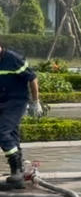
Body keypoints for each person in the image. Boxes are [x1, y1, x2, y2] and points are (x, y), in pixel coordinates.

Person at [0, 43, 40, 189]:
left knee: (2, 131)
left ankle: (16, 167)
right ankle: (18, 174)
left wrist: (36, 102)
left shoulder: (13, 59)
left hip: (17, 102)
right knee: (12, 134)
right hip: (2, 101)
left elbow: (32, 78)